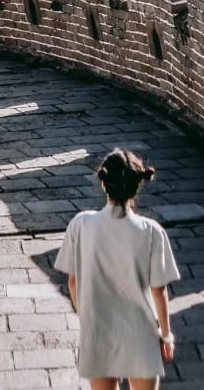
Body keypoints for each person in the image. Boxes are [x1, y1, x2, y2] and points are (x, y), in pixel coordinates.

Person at [55, 148, 180, 390]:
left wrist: (86, 317)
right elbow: (158, 290)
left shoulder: (81, 225)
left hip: (98, 332)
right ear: (137, 185)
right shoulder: (152, 231)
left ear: (104, 183)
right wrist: (166, 334)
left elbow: (73, 282)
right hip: (140, 333)